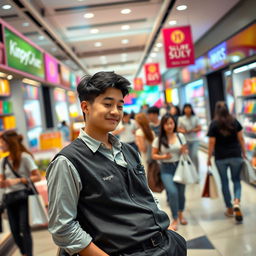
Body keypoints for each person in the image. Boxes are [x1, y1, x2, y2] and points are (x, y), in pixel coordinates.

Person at [46, 71, 186, 256]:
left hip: (165, 245)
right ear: (85, 107)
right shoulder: (68, 162)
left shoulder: (128, 151)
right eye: (107, 104)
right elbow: (63, 228)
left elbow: (144, 194)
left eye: (120, 106)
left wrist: (165, 229)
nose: (115, 112)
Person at [0, 130, 41, 256]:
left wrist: (19, 180)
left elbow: (37, 177)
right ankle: (24, 253)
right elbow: (2, 179)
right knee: (14, 231)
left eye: (2, 142)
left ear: (9, 142)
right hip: (9, 198)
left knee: (24, 228)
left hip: (23, 196)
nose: (0, 145)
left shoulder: (25, 157)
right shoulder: (3, 161)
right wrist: (2, 182)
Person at [207, 101, 246, 222]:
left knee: (224, 182)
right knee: (236, 180)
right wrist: (244, 152)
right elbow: (241, 138)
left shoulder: (214, 124)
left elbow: (211, 143)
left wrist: (208, 158)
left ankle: (229, 208)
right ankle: (236, 202)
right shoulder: (234, 121)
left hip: (220, 158)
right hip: (235, 155)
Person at [152, 114, 188, 231]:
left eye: (171, 123)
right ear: (163, 125)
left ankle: (181, 213)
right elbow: (154, 155)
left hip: (180, 167)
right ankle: (175, 218)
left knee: (181, 193)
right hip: (166, 169)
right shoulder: (158, 139)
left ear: (174, 124)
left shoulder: (180, 136)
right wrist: (164, 157)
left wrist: (184, 151)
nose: (169, 126)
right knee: (172, 192)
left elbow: (185, 150)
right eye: (166, 123)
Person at [177, 104, 201, 172]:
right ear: (184, 109)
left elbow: (199, 128)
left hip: (194, 140)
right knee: (188, 156)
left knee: (194, 155)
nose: (187, 110)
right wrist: (183, 131)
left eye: (189, 108)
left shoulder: (195, 117)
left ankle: (197, 171)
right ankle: (191, 172)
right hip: (185, 140)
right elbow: (178, 129)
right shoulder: (181, 118)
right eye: (186, 108)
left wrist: (193, 130)